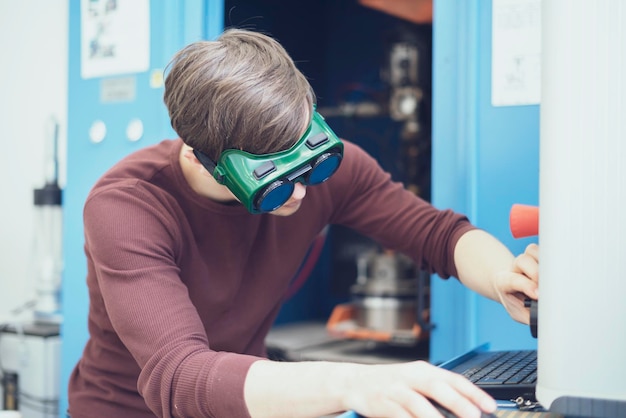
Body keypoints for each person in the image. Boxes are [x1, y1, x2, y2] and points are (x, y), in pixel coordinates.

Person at [67, 28, 540, 418]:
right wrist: (351, 383)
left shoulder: (319, 172)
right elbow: (182, 376)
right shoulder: (127, 208)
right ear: (199, 154)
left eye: (310, 167)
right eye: (271, 183)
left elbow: (439, 235)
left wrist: (502, 277)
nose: (299, 192)